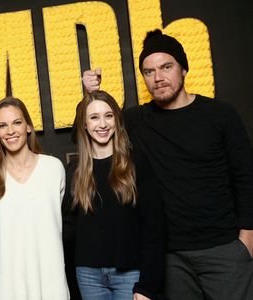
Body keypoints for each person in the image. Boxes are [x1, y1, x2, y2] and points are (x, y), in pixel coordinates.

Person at [82, 29, 253, 300]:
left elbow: (246, 178)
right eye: (149, 72)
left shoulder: (221, 115)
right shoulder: (136, 121)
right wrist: (92, 94)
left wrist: (246, 242)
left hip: (223, 249)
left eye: (166, 67)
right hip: (170, 258)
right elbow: (96, 126)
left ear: (183, 68)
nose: (158, 77)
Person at [62, 91, 164, 300]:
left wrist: (147, 286)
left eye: (108, 116)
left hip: (130, 274)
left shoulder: (136, 163)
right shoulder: (75, 170)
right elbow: (68, 230)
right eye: (94, 117)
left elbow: (154, 227)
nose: (102, 124)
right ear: (83, 125)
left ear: (117, 120)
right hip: (88, 275)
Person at [0, 97, 70, 300]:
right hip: (6, 285)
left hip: (50, 281)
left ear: (28, 126)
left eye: (17, 122)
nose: (10, 131)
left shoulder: (53, 168)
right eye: (2, 126)